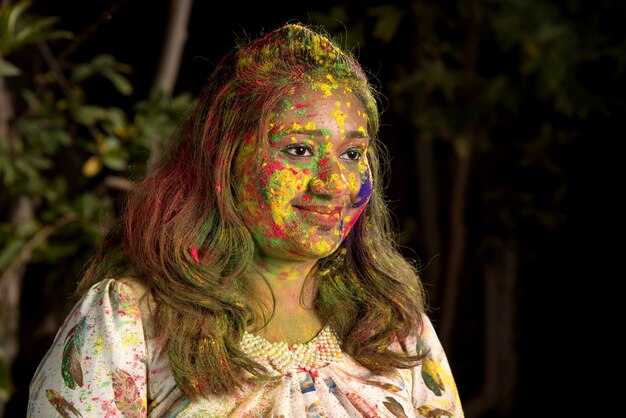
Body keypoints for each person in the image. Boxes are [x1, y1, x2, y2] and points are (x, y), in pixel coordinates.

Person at [28, 22, 463, 417]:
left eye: (352, 154)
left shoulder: (393, 329)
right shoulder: (131, 321)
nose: (335, 183)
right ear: (227, 159)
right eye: (299, 150)